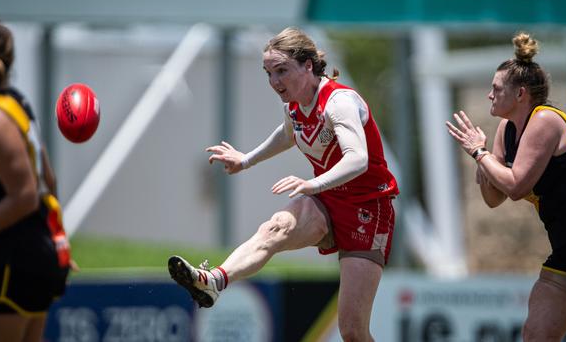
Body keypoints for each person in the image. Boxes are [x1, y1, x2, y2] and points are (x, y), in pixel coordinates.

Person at [168, 27, 399, 341]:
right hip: (327, 199)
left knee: (353, 331)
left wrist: (313, 184)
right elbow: (288, 134)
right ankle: (213, 281)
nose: (275, 82)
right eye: (269, 73)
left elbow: (357, 158)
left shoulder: (339, 102)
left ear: (307, 65)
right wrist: (246, 159)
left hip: (368, 209)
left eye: (282, 71)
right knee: (274, 228)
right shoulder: (293, 105)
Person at [446, 32, 566, 341]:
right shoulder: (506, 129)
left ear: (520, 94)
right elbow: (495, 198)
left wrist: (481, 153)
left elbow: (516, 186)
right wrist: (484, 163)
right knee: (536, 334)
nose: (489, 95)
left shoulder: (544, 119)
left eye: (496, 89)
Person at [0, 19, 72, 342]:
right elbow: (49, 179)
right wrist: (57, 239)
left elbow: (25, 196)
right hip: (33, 257)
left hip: (12, 261)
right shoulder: (17, 105)